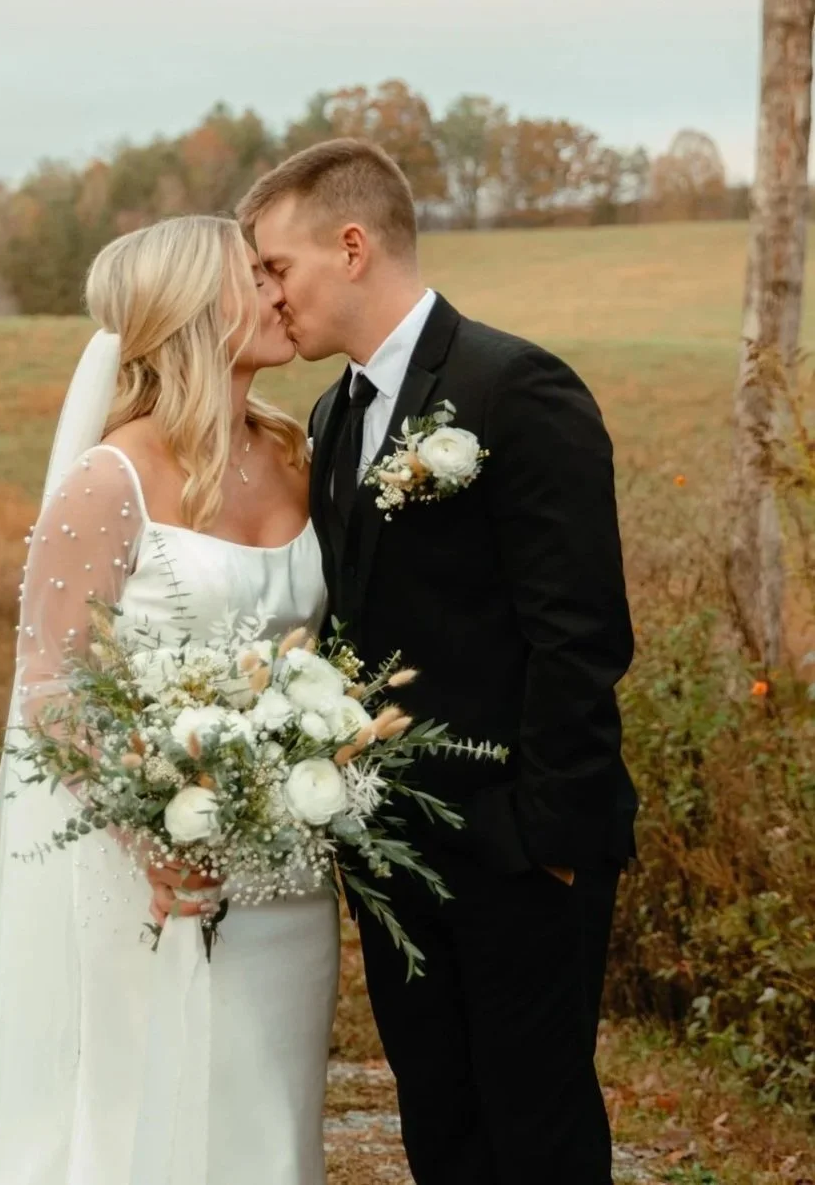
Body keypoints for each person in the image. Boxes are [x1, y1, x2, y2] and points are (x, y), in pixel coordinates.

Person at [238, 139, 638, 1185]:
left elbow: (581, 633)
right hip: (394, 854)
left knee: (536, 1134)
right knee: (441, 1132)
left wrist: (541, 837)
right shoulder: (333, 417)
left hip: (519, 849)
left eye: (276, 267)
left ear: (353, 245)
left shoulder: (514, 389)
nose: (268, 297)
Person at [0, 215, 339, 1185]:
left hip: (285, 872)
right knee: (143, 1121)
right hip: (147, 871)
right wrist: (155, 834)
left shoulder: (295, 456)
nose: (281, 290)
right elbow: (51, 689)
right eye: (256, 275)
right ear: (195, 308)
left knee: (269, 1116)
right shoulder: (110, 478)